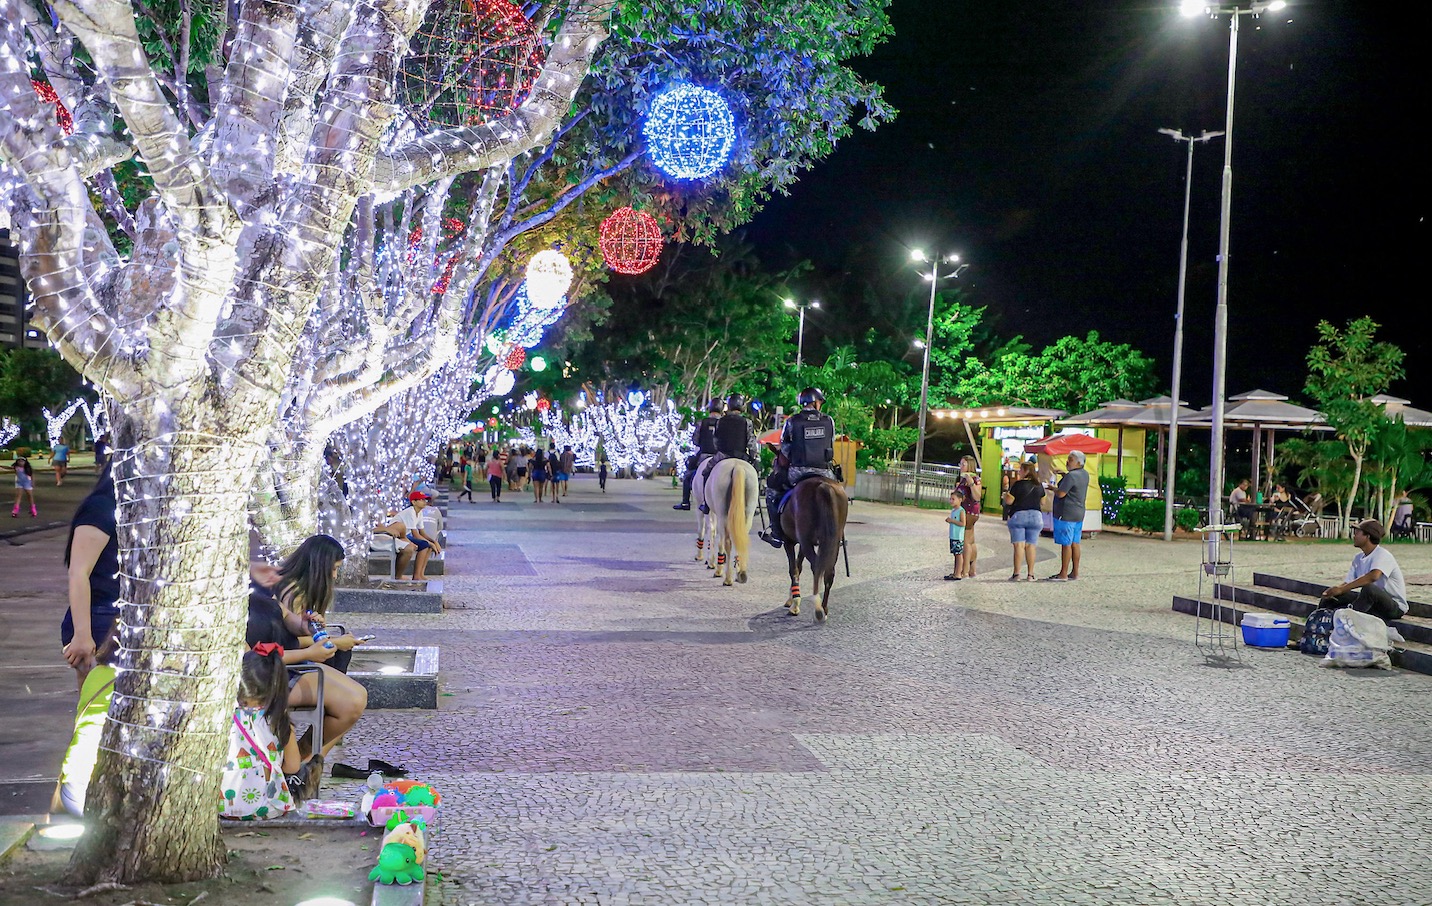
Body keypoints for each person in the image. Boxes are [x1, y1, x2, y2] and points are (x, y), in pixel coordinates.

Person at [248, 535, 368, 760]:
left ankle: (309, 763)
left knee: (357, 697)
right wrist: (316, 649)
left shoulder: (266, 594)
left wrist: (305, 625)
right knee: (350, 700)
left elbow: (286, 618)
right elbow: (255, 655)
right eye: (333, 569)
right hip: (268, 675)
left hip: (285, 664)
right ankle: (305, 764)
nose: (334, 576)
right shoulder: (284, 591)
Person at [221, 644, 301, 819]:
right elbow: (293, 766)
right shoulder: (279, 720)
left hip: (224, 806)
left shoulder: (223, 717)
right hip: (270, 807)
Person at [61, 465, 119, 687]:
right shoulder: (102, 507)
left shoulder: (134, 508)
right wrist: (83, 634)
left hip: (122, 616)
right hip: (101, 618)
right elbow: (78, 572)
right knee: (99, 710)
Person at [760, 387, 836, 546]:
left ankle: (776, 532)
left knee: (772, 491)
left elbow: (786, 448)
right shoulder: (829, 420)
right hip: (825, 472)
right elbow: (830, 444)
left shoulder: (792, 421)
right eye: (820, 402)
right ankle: (837, 533)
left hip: (798, 472)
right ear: (815, 403)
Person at [1319, 519, 1408, 624]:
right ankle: (1317, 624)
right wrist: (1336, 590)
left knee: (1369, 589)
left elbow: (1373, 576)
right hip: (1372, 602)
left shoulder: (1382, 554)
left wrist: (1342, 589)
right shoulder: (1358, 558)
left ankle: (1348, 623)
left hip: (1394, 607)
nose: (1354, 536)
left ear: (1368, 536)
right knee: (1332, 596)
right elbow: (1348, 582)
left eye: (1357, 533)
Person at [699, 394, 760, 513]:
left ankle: (706, 503)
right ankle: (755, 504)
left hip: (723, 455)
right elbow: (751, 443)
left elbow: (716, 441)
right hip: (741, 456)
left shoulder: (720, 421)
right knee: (755, 473)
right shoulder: (746, 422)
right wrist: (753, 457)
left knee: (706, 471)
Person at [1045, 450, 1089, 581]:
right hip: (1079, 512)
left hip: (1066, 513)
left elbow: (1061, 493)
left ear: (1078, 462)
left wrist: (1051, 488)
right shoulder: (1084, 474)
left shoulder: (1071, 476)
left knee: (1066, 543)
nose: (1067, 462)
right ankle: (1075, 572)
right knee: (1075, 543)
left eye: (1070, 460)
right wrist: (1064, 474)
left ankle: (1063, 573)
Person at [675, 400, 724, 510]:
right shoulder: (724, 423)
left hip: (704, 456)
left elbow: (695, 440)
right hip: (721, 456)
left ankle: (685, 502)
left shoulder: (702, 422)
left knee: (688, 475)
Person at [1002, 460, 1044, 582]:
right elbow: (1043, 502)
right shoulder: (1039, 485)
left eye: (1020, 469)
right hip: (1036, 517)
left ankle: (1017, 574)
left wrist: (1005, 494)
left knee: (1019, 545)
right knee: (1031, 546)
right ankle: (1030, 574)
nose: (1019, 472)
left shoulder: (1018, 484)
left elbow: (1009, 501)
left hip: (1019, 516)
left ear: (1026, 471)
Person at [393, 491, 443, 580]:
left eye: (425, 499)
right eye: (421, 500)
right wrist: (431, 543)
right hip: (398, 535)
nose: (425, 502)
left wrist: (434, 542)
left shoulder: (419, 513)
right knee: (425, 545)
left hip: (406, 535)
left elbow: (422, 532)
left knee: (426, 545)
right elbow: (415, 534)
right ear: (414, 502)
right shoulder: (410, 512)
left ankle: (420, 573)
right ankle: (416, 575)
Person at [955, 455, 983, 577]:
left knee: (965, 541)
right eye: (960, 464)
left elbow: (977, 496)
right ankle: (972, 569)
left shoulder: (974, 479)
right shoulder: (962, 479)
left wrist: (970, 482)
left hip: (969, 512)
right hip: (966, 510)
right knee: (971, 540)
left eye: (963, 464)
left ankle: (964, 570)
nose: (961, 467)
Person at [944, 489, 967, 581]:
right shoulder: (954, 510)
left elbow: (963, 523)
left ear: (960, 500)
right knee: (955, 554)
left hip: (958, 537)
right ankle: (955, 572)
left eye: (953, 499)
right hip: (953, 536)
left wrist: (952, 521)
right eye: (950, 499)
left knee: (958, 555)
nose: (951, 501)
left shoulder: (961, 511)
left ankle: (958, 573)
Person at [10, 453, 36, 517]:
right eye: (19, 461)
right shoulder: (16, 467)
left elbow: (31, 475)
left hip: (27, 483)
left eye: (22, 461)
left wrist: (32, 482)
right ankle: (15, 510)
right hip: (19, 483)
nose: (20, 462)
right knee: (18, 496)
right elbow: (8, 468)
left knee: (30, 496)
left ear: (25, 462)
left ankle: (33, 509)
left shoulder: (28, 468)